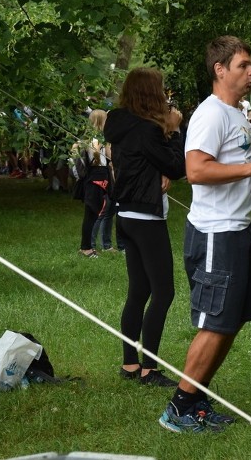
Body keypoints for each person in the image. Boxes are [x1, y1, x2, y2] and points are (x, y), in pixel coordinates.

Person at [158, 36, 251, 433]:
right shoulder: (211, 114)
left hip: (238, 229)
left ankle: (196, 401)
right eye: (243, 66)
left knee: (229, 321)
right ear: (220, 69)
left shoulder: (235, 114)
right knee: (215, 322)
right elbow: (196, 171)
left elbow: (234, 166)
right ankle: (179, 408)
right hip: (216, 233)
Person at [105, 68, 186, 387]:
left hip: (125, 213)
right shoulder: (147, 129)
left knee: (139, 290)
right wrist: (176, 131)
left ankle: (129, 364)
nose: (166, 95)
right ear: (151, 93)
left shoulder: (120, 123)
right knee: (163, 292)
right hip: (146, 217)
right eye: (162, 90)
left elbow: (146, 163)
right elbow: (176, 167)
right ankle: (149, 369)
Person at [73, 109, 110, 258]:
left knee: (93, 214)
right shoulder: (94, 140)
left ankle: (87, 246)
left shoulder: (95, 139)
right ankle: (86, 247)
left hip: (98, 177)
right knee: (91, 214)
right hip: (95, 178)